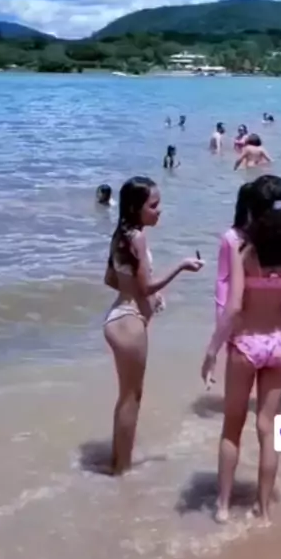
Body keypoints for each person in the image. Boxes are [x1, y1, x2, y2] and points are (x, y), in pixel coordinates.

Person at [201, 175, 281, 525]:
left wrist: (212, 350)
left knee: (232, 427)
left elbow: (234, 307)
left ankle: (223, 506)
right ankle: (263, 510)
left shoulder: (245, 253)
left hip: (245, 345)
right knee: (269, 430)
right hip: (278, 345)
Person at [103, 176, 204, 475]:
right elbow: (145, 286)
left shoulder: (120, 235)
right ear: (137, 208)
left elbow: (111, 279)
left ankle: (116, 463)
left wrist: (146, 295)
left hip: (118, 315)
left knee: (126, 396)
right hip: (130, 321)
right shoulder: (137, 238)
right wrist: (181, 266)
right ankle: (122, 470)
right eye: (154, 205)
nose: (159, 210)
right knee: (132, 398)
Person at [214, 182, 281, 361]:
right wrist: (221, 315)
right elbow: (223, 280)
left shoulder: (265, 239)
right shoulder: (232, 238)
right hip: (242, 319)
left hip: (262, 324)